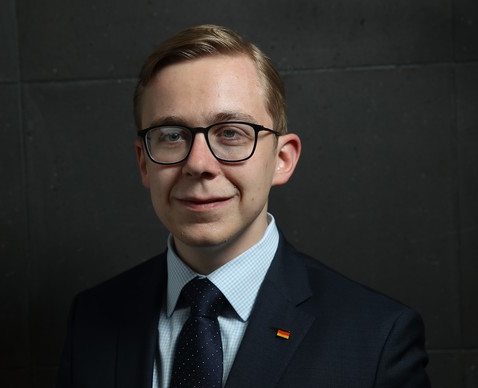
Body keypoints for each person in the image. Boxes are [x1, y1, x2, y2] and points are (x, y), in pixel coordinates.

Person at [57, 24, 430, 387]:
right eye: (172, 136)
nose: (199, 164)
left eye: (231, 133)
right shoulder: (91, 318)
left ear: (282, 159)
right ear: (144, 163)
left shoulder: (376, 337)